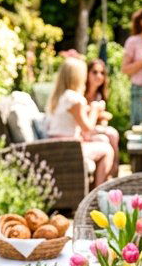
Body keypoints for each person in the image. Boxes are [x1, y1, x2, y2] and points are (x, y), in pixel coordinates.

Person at [45, 58, 116, 186]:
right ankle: (96, 194)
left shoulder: (59, 97)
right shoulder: (75, 99)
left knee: (102, 140)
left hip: (55, 144)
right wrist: (95, 108)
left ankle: (94, 187)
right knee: (107, 150)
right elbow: (88, 129)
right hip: (69, 148)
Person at [84, 58, 119, 162]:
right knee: (111, 135)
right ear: (87, 73)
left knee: (112, 134)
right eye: (94, 72)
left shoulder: (99, 95)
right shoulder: (82, 92)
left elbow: (104, 120)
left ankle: (114, 169)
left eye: (102, 73)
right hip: (84, 129)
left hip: (96, 127)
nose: (99, 76)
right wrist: (96, 112)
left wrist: (99, 115)